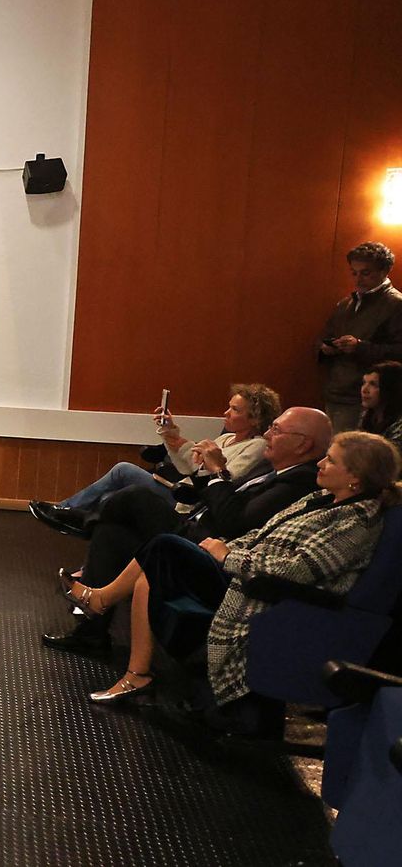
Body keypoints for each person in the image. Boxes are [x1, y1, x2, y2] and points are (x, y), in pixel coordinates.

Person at [64, 431, 396, 736]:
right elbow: (260, 535)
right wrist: (225, 547)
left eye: (331, 460)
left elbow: (299, 570)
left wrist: (226, 557)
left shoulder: (356, 521)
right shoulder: (320, 499)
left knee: (163, 545)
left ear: (355, 476)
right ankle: (137, 675)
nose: (321, 463)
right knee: (149, 566)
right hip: (243, 570)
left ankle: (102, 599)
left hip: (262, 591)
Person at [41, 407, 329, 656]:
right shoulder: (275, 471)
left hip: (214, 549)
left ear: (302, 444)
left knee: (134, 496)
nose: (268, 434)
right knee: (113, 532)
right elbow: (224, 497)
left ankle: (81, 521)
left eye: (276, 430)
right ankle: (91, 635)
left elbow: (233, 521)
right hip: (201, 523)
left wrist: (217, 472)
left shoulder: (298, 481)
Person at [29, 384, 278, 535]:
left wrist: (204, 461)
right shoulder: (226, 440)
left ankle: (68, 510)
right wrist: (170, 433)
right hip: (184, 492)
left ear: (255, 418)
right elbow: (187, 466)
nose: (226, 413)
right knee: (109, 498)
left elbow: (225, 479)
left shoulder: (257, 447)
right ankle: (76, 525)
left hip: (192, 503)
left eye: (235, 409)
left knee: (123, 471)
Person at [320, 242, 402, 432]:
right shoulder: (346, 303)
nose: (358, 279)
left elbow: (398, 351)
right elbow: (326, 336)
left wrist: (359, 347)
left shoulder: (396, 305)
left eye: (365, 273)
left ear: (385, 271)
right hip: (336, 391)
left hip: (367, 397)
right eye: (354, 273)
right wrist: (327, 347)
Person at [358, 360, 402, 444]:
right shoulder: (367, 417)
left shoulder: (399, 425)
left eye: (373, 384)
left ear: (390, 389)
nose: (364, 390)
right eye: (364, 383)